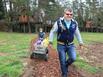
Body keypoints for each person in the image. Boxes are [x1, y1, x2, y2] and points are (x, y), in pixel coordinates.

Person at [49, 7, 84, 77]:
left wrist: (81, 42)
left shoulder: (74, 23)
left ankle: (66, 65)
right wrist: (50, 41)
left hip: (71, 45)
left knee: (73, 58)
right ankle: (64, 74)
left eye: (71, 14)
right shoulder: (58, 22)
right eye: (67, 14)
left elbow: (77, 33)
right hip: (61, 45)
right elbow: (52, 32)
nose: (69, 16)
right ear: (64, 14)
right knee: (62, 61)